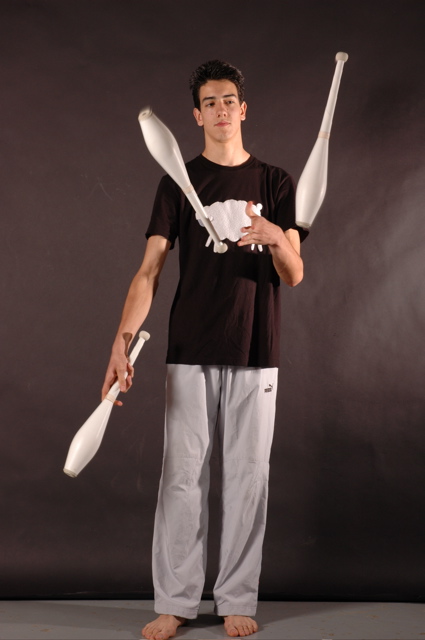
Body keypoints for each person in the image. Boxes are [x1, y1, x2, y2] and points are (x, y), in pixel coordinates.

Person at [101, 60, 307, 640]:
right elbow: (149, 271)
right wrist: (121, 342)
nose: (221, 110)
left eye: (229, 100)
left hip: (256, 346)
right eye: (210, 102)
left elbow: (294, 273)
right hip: (190, 346)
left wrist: (274, 237)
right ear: (196, 115)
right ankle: (176, 602)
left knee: (248, 477)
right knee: (182, 477)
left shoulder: (276, 183)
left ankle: (237, 597)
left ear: (243, 109)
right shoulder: (177, 182)